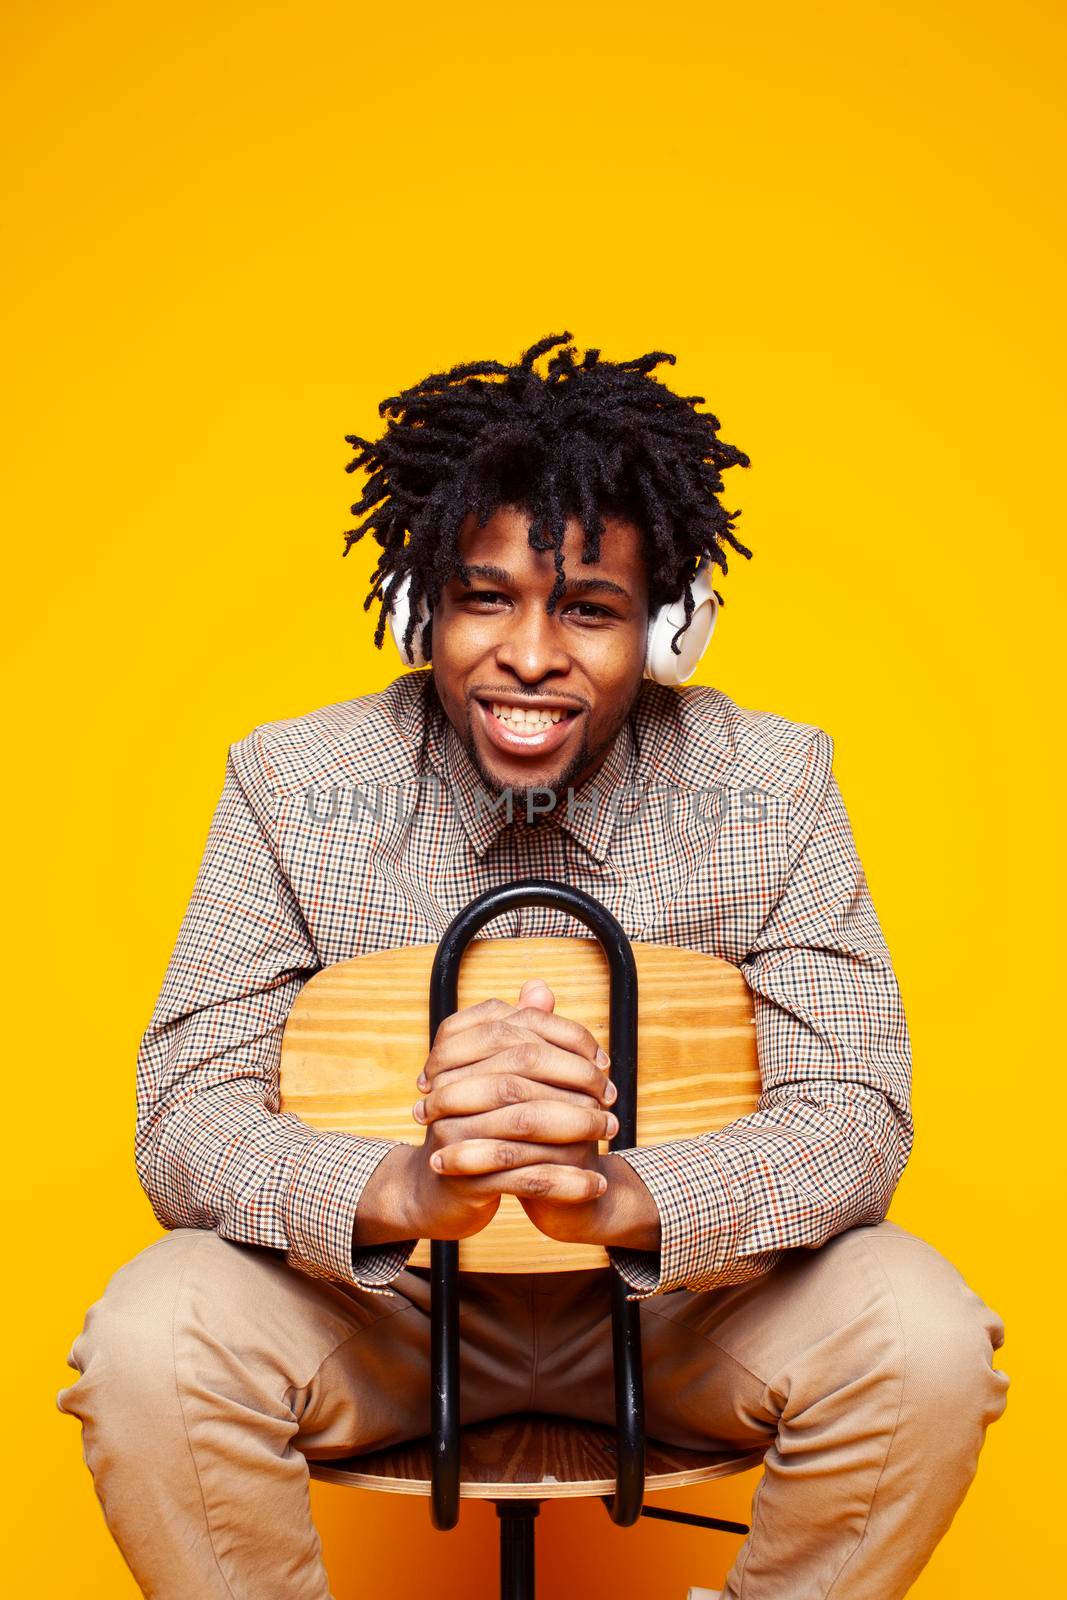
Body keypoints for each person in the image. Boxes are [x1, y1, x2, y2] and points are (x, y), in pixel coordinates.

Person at [58, 331, 1007, 1599]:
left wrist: (630, 1201)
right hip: (385, 1319)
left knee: (927, 1336)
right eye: (485, 597)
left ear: (669, 632)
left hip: (675, 1318)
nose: (529, 655)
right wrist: (397, 1186)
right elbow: (184, 1112)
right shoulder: (291, 783)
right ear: (417, 609)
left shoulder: (770, 784)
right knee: (146, 1334)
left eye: (589, 609)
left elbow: (854, 1114)